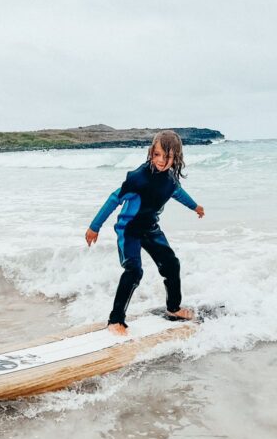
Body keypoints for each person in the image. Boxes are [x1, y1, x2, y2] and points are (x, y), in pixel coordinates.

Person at [85, 129, 205, 335]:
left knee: (171, 264)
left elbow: (177, 192)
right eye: (157, 154)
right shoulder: (138, 179)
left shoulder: (170, 180)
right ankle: (115, 320)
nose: (161, 160)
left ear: (176, 157)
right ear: (151, 152)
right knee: (134, 271)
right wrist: (94, 227)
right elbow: (114, 199)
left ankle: (173, 308)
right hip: (129, 230)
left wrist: (195, 207)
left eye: (167, 157)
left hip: (150, 228)